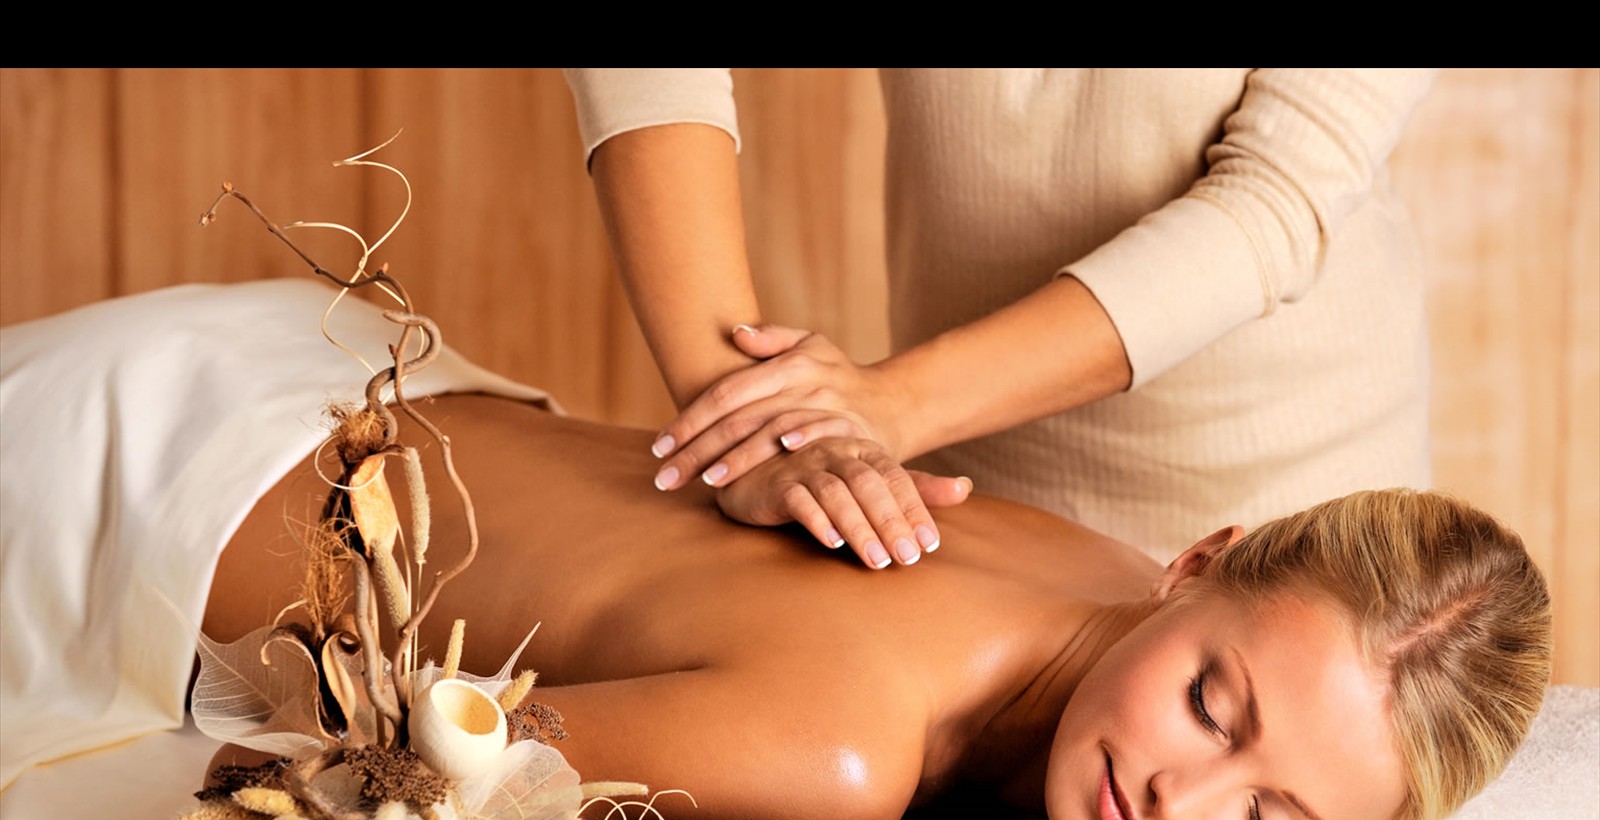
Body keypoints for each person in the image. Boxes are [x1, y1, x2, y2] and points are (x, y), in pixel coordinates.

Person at [202, 395, 1552, 820]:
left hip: (378, 398)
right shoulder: (840, 745)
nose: (1181, 801)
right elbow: (305, 791)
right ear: (1196, 562)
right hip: (187, 487)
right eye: (1210, 706)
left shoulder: (1107, 579)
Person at [564, 68, 1437, 568]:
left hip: (1291, 523)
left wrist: (892, 405)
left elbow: (1273, 202)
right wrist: (749, 421)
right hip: (961, 509)